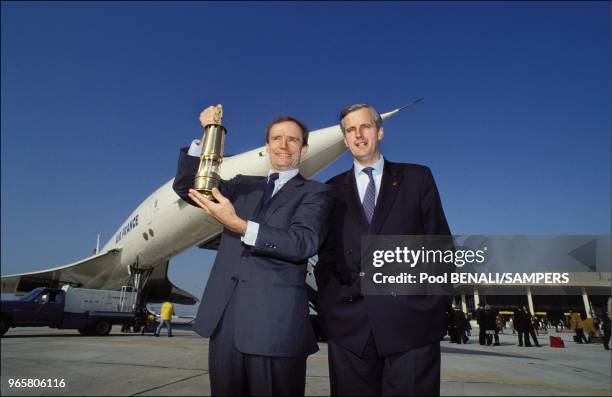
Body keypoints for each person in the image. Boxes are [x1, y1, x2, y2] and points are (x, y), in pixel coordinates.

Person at [173, 105, 332, 396]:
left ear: (304, 149)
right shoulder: (243, 186)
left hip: (276, 329)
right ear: (267, 146)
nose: (284, 145)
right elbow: (188, 186)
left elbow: (303, 243)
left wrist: (241, 225)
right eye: (276, 138)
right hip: (225, 323)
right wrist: (209, 132)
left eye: (293, 140)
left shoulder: (316, 193)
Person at [315, 103, 452, 396]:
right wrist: (331, 308)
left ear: (380, 131)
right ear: (345, 139)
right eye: (350, 130)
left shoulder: (417, 178)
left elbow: (440, 245)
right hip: (351, 331)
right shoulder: (329, 190)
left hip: (412, 326)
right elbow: (325, 259)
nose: (359, 135)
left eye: (365, 126)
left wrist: (433, 305)